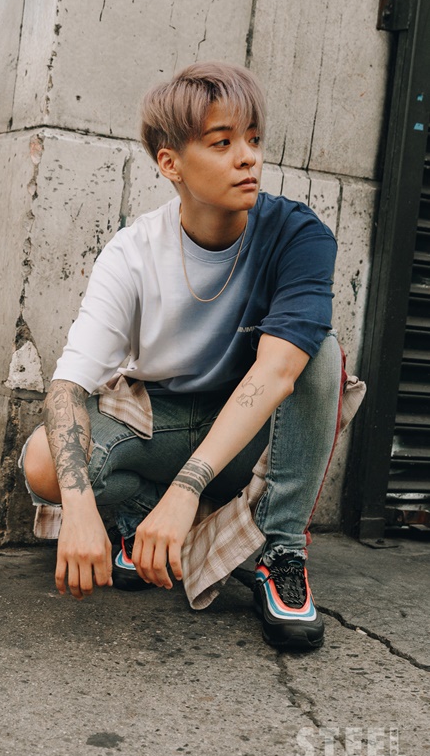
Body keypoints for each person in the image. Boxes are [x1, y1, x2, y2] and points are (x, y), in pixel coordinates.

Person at [21, 61, 343, 652]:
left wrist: (189, 486)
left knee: (319, 350)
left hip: (247, 429)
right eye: (222, 143)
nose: (248, 158)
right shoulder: (133, 253)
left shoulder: (297, 235)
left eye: (253, 140)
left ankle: (279, 550)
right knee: (46, 461)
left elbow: (278, 372)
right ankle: (140, 527)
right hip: (160, 421)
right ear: (170, 163)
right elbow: (67, 387)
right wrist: (80, 508)